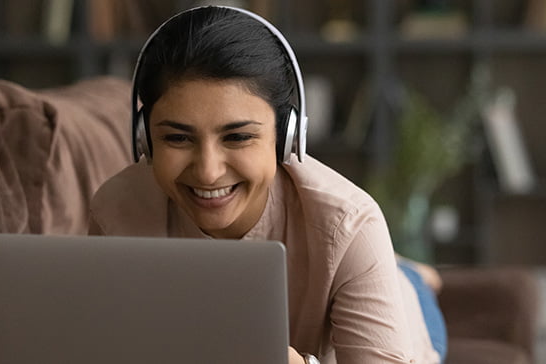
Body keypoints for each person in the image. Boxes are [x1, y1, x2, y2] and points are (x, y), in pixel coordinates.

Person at [89, 6, 443, 364]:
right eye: (178, 138)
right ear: (144, 140)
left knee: (407, 288)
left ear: (285, 139)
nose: (208, 172)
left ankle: (412, 275)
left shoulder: (351, 224)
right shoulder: (116, 209)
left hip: (411, 322)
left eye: (238, 136)